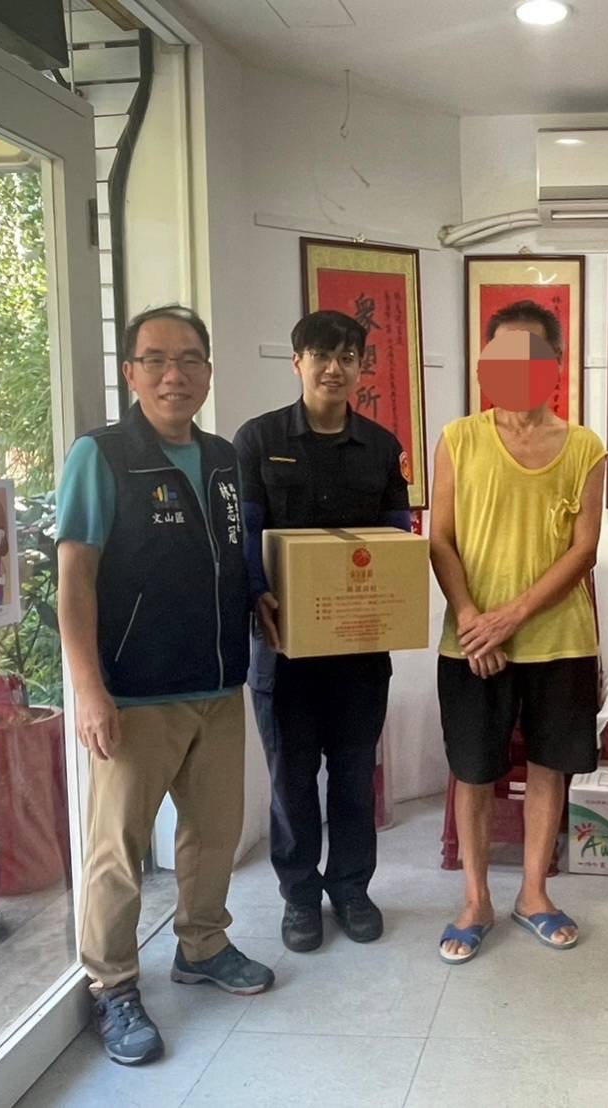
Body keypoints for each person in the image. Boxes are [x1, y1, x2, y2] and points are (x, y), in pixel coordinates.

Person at [57, 305, 274, 1067]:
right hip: (136, 690)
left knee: (213, 833)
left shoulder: (221, 457)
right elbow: (74, 580)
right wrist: (89, 688)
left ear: (208, 372)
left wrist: (257, 600)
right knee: (118, 850)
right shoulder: (102, 455)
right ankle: (112, 984)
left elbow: (229, 557)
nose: (173, 374)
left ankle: (202, 945)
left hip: (217, 681)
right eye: (154, 359)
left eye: (188, 360)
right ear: (130, 373)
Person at [429, 300, 607, 963]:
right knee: (473, 772)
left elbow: (583, 549)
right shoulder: (459, 438)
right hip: (473, 641)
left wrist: (512, 616)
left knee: (548, 768)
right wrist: (472, 619)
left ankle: (534, 892)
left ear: (555, 364)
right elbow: (440, 539)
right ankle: (476, 898)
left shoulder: (585, 446)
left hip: (560, 640)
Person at [233, 309, 411, 953]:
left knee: (356, 774)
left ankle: (352, 889)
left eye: (347, 357)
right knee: (292, 776)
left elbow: (398, 539)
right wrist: (257, 593)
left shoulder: (382, 447)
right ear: (297, 362)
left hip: (358, 646)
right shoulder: (257, 440)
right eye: (321, 356)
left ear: (362, 367)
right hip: (284, 648)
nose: (334, 369)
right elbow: (246, 533)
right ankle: (301, 897)